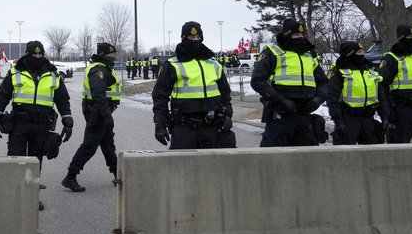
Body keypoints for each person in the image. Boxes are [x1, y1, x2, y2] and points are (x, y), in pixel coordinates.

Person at [0, 40, 73, 210]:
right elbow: (3, 95)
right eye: (34, 54)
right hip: (19, 123)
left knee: (36, 162)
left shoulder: (53, 74)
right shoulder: (15, 72)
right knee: (16, 159)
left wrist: (67, 119)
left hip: (41, 125)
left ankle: (31, 198)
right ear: (27, 54)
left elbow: (62, 100)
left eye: (40, 54)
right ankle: (15, 197)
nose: (37, 57)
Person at [152, 21, 236, 149]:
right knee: (181, 167)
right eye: (191, 37)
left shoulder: (213, 63)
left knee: (216, 167)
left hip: (212, 127)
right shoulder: (172, 64)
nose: (195, 40)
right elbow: (160, 96)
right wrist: (160, 123)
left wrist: (228, 114)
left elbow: (225, 93)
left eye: (198, 37)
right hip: (184, 128)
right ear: (183, 38)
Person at [251, 19, 329, 147]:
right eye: (296, 35)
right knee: (274, 160)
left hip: (304, 115)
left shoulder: (309, 55)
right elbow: (258, 81)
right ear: (287, 35)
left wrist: (319, 99)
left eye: (302, 35)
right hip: (281, 115)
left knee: (305, 160)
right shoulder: (273, 52)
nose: (300, 38)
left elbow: (324, 84)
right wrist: (280, 99)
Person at [62, 42, 121, 192]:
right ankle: (70, 176)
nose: (112, 58)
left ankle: (118, 174)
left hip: (102, 111)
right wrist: (106, 115)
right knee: (89, 145)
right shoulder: (98, 70)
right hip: (99, 112)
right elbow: (98, 94)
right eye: (109, 55)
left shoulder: (104, 68)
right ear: (101, 55)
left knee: (108, 144)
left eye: (113, 55)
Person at [326, 41, 384, 145]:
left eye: (363, 51)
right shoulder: (338, 71)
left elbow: (380, 94)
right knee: (345, 156)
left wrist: (385, 116)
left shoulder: (370, 69)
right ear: (349, 54)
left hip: (368, 118)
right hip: (348, 119)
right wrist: (338, 121)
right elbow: (331, 97)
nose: (362, 54)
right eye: (359, 52)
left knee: (371, 154)